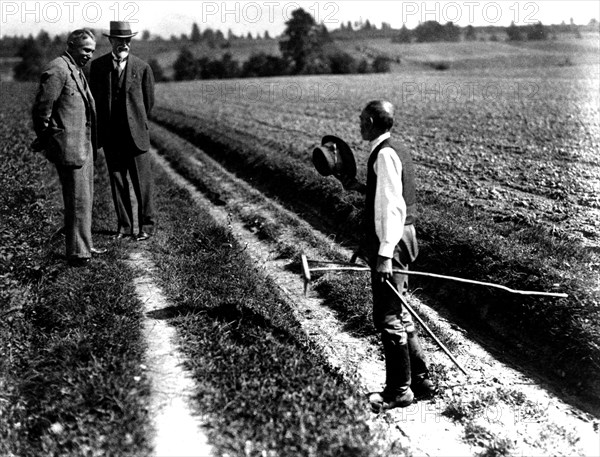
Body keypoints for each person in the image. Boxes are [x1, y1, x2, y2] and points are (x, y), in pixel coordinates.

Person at [338, 100, 435, 412]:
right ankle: (421, 380)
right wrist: (357, 188)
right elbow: (382, 199)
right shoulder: (393, 148)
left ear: (369, 120)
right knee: (401, 314)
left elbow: (393, 208)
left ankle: (398, 391)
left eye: (359, 119)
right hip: (399, 238)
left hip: (394, 241)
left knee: (388, 317)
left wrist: (384, 254)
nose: (358, 125)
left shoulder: (385, 154)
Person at [31, 28, 106, 267]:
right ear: (71, 45)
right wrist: (50, 141)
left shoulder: (75, 69)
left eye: (92, 51)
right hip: (69, 148)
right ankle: (77, 254)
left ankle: (84, 245)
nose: (89, 55)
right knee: (76, 199)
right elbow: (43, 111)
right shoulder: (58, 69)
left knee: (84, 199)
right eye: (85, 49)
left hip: (82, 146)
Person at [90, 21, 156, 241]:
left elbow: (148, 103)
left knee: (142, 184)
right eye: (119, 40)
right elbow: (95, 101)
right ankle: (124, 227)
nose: (124, 44)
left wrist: (136, 122)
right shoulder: (98, 67)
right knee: (118, 182)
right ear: (111, 41)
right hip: (111, 137)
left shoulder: (142, 67)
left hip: (136, 135)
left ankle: (146, 227)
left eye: (127, 40)